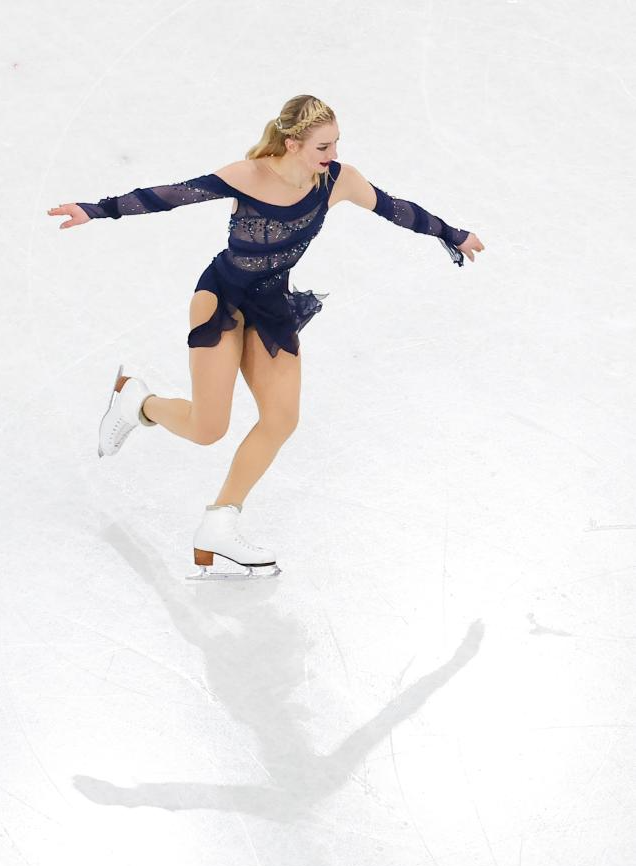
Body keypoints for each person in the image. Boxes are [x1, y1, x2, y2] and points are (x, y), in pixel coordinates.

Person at [47, 94, 485, 579]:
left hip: (271, 305)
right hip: (222, 299)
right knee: (207, 429)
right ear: (293, 143)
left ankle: (219, 523)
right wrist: (96, 210)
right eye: (323, 146)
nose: (333, 155)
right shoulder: (248, 176)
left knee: (281, 419)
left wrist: (452, 234)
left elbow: (395, 208)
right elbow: (169, 195)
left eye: (336, 143)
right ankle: (138, 402)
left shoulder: (338, 180)